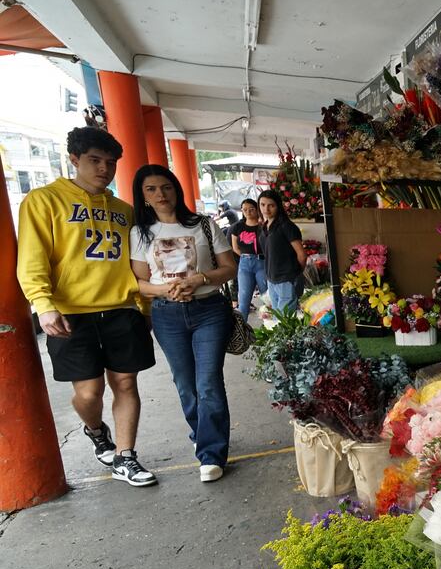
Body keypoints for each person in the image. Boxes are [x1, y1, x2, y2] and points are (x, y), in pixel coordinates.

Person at [16, 126, 158, 487]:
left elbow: (135, 264)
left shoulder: (124, 211)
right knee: (88, 393)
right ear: (74, 159)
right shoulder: (44, 201)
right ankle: (95, 430)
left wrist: (144, 308)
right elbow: (32, 259)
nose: (104, 169)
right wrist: (43, 304)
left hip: (122, 308)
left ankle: (126, 456)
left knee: (126, 383)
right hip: (70, 313)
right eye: (95, 160)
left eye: (110, 163)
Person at [128, 165, 238, 483]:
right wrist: (168, 289)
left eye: (166, 187)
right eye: (151, 189)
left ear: (176, 189)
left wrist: (199, 279)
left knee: (208, 383)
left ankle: (212, 453)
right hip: (167, 313)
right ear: (144, 196)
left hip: (209, 311)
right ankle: (201, 433)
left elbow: (229, 267)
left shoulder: (202, 225)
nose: (161, 194)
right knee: (185, 384)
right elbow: (139, 282)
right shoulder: (141, 234)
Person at [257, 188, 306, 314]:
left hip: (286, 279)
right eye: (262, 205)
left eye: (271, 205)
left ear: (278, 206)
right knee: (278, 320)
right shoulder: (265, 226)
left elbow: (301, 254)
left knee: (284, 321)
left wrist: (294, 274)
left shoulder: (286, 226)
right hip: (272, 279)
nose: (266, 209)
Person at [230, 198, 267, 317]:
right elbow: (235, 247)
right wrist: (246, 257)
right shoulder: (237, 227)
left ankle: (270, 327)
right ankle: (242, 331)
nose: (248, 212)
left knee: (267, 297)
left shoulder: (264, 226)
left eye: (251, 209)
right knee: (244, 299)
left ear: (257, 210)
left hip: (262, 262)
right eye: (245, 210)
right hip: (245, 263)